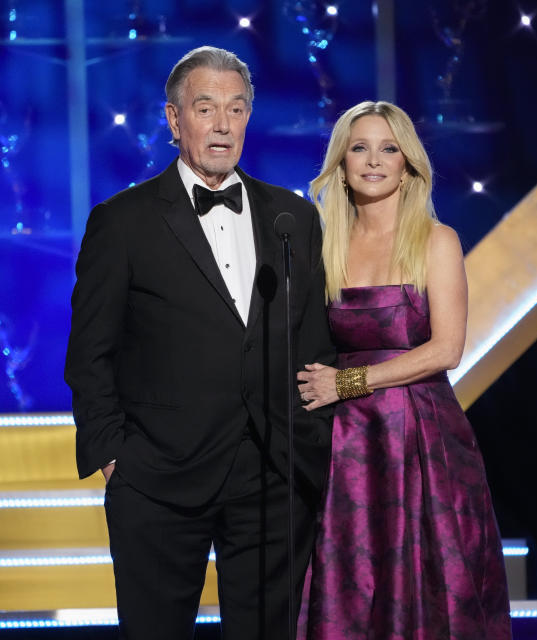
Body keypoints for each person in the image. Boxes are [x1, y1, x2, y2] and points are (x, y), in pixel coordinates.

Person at [64, 46, 335, 640]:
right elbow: (89, 355)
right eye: (205, 108)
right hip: (158, 476)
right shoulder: (123, 221)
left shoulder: (293, 218)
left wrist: (308, 446)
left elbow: (316, 343)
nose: (221, 125)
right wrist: (116, 458)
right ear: (173, 119)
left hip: (272, 474)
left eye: (236, 110)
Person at [295, 101, 512, 639]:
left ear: (408, 163)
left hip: (419, 440)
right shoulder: (322, 246)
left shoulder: (438, 240)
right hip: (346, 446)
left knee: (427, 587)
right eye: (360, 148)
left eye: (388, 148)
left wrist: (348, 382)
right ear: (341, 163)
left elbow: (446, 350)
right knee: (347, 584)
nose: (374, 161)